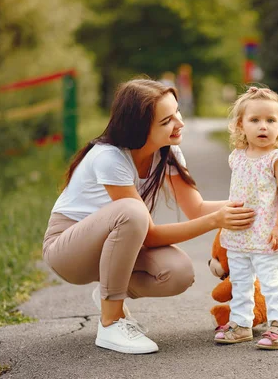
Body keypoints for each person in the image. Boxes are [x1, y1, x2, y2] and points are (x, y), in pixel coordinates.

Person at [42, 79, 255, 354]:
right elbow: (150, 234)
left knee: (178, 273)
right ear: (139, 128)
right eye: (166, 120)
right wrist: (216, 221)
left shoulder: (168, 151)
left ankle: (109, 292)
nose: (179, 123)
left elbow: (197, 208)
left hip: (114, 247)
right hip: (69, 251)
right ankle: (110, 321)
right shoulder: (110, 157)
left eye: (177, 112)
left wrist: (255, 205)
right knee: (132, 212)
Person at [215, 86, 278, 350]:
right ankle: (241, 324)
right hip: (240, 230)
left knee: (271, 280)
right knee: (240, 280)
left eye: (271, 120)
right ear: (241, 125)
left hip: (266, 232)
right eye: (255, 120)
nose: (263, 126)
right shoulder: (237, 157)